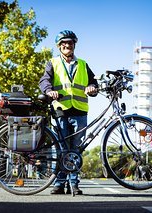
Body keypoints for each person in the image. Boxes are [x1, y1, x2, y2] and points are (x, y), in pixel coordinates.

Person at [39, 30, 98, 195]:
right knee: (61, 148)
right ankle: (59, 183)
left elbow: (93, 83)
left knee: (76, 149)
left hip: (79, 111)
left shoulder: (83, 64)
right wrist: (49, 90)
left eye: (70, 43)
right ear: (59, 46)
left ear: (74, 45)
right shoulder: (53, 62)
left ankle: (74, 183)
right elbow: (44, 80)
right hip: (60, 111)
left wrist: (93, 88)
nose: (67, 45)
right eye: (64, 43)